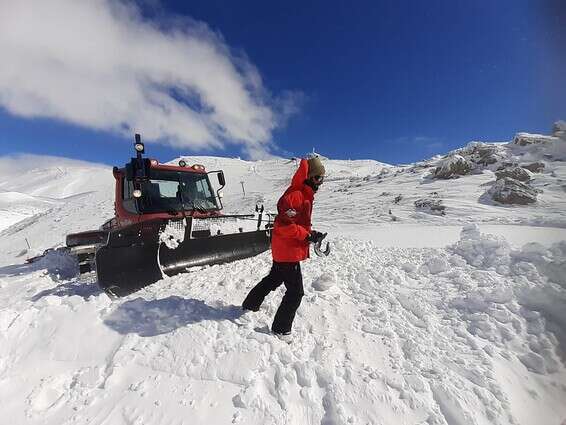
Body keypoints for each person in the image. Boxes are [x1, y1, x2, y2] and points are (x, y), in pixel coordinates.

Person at [242, 156, 327, 336]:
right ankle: (281, 329)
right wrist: (307, 235)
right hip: (287, 252)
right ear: (309, 176)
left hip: (285, 250)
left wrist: (311, 234)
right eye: (318, 177)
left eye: (322, 178)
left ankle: (250, 305)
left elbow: (296, 224)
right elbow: (283, 226)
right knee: (296, 293)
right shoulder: (296, 195)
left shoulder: (303, 195)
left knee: (274, 279)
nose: (320, 182)